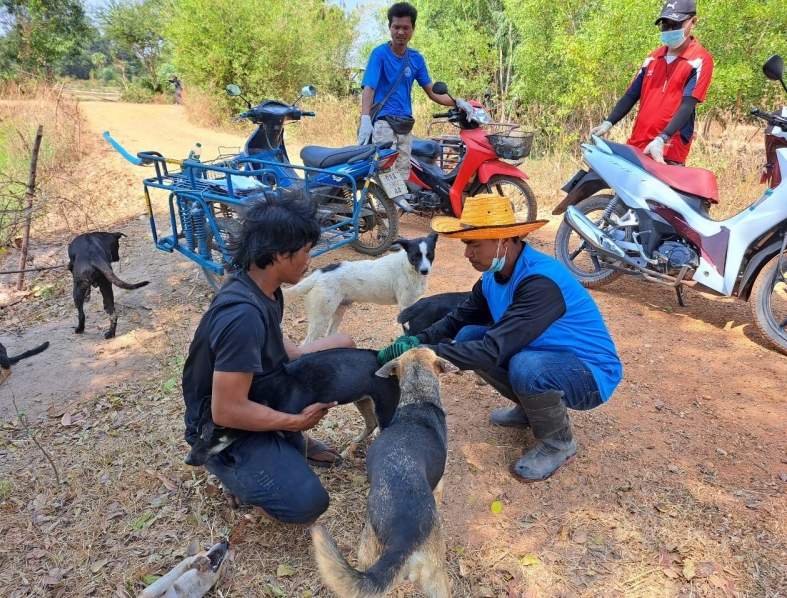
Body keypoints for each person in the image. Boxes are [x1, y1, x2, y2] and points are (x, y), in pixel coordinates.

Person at [377, 194, 623, 482]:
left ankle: (559, 443)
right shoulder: (492, 277)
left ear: (504, 240)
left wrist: (424, 354)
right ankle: (531, 409)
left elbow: (492, 350)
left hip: (589, 373)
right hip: (547, 354)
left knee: (526, 368)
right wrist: (417, 340)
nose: (467, 254)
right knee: (468, 335)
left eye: (474, 244)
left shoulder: (540, 282)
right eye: (466, 244)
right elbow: (458, 318)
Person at [182, 188, 355, 526]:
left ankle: (285, 444)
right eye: (306, 251)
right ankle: (231, 469)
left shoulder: (264, 288)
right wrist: (295, 422)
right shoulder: (241, 316)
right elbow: (226, 410)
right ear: (279, 254)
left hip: (259, 391)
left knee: (343, 346)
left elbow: (278, 346)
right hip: (221, 428)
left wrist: (318, 353)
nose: (309, 260)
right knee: (305, 508)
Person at [358, 2, 473, 211]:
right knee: (386, 172)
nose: (400, 32)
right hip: (384, 122)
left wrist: (458, 102)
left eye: (406, 27)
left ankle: (389, 222)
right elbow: (369, 88)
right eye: (396, 27)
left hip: (405, 125)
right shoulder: (380, 54)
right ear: (390, 27)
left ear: (413, 29)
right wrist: (365, 118)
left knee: (401, 175)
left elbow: (432, 91)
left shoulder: (416, 59)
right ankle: (382, 220)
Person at [590, 0, 713, 165]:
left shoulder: (699, 60)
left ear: (693, 22)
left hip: (668, 149)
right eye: (665, 25)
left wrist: (662, 138)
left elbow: (687, 105)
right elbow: (631, 96)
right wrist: (608, 123)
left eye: (676, 25)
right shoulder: (652, 58)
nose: (670, 30)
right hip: (637, 144)